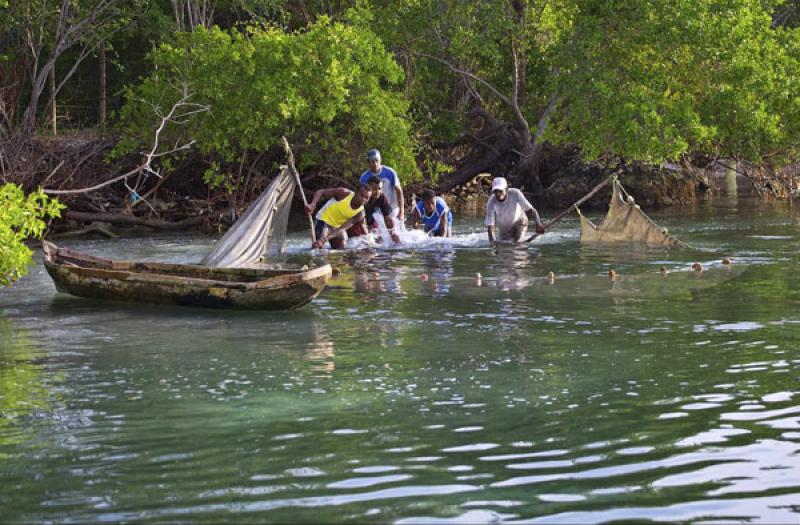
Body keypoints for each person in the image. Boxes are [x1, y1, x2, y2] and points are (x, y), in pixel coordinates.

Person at [305, 185, 371, 249]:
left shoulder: (360, 213)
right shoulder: (344, 193)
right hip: (323, 220)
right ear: (356, 192)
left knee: (343, 242)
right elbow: (321, 192)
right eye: (362, 195)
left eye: (367, 198)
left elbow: (342, 228)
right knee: (318, 246)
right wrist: (313, 205)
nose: (363, 199)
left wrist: (323, 240)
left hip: (336, 227)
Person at [485, 177, 545, 244]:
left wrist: (538, 224)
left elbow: (531, 210)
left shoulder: (515, 193)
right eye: (495, 191)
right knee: (503, 245)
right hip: (505, 228)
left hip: (520, 222)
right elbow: (490, 226)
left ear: (506, 189)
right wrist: (493, 243)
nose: (498, 194)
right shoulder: (491, 201)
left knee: (518, 243)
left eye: (500, 191)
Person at [359, 149, 405, 225]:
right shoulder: (364, 177)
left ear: (380, 160)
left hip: (393, 208)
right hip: (377, 211)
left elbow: (399, 191)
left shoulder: (390, 172)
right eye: (372, 161)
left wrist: (402, 212)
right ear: (368, 162)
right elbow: (362, 198)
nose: (375, 164)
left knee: (397, 231)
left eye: (377, 160)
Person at [363, 175, 401, 244]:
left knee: (380, 239)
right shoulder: (363, 197)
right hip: (356, 219)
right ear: (368, 188)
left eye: (379, 188)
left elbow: (387, 218)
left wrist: (393, 233)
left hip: (370, 219)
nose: (377, 192)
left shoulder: (382, 197)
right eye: (374, 189)